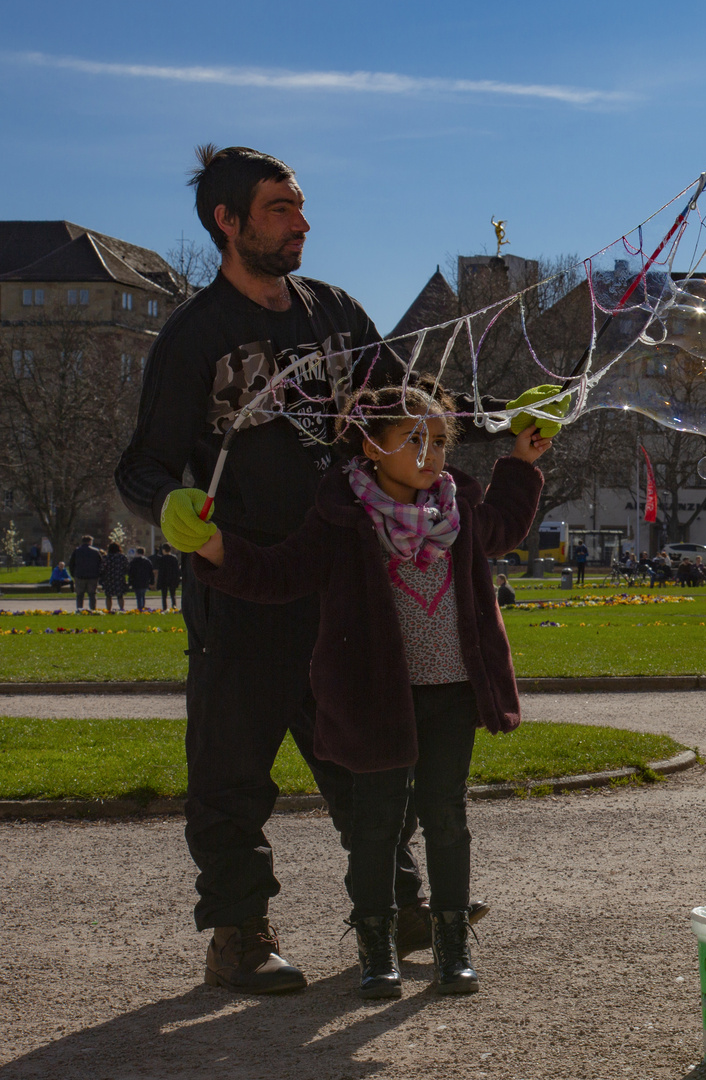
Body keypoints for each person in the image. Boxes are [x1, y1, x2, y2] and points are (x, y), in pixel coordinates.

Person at [115, 145, 559, 994]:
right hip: (240, 585)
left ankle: (399, 910)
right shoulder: (193, 337)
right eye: (281, 208)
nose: (302, 222)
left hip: (342, 585)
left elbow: (411, 411)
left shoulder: (337, 313)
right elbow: (143, 463)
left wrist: (508, 423)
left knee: (370, 760)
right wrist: (171, 508)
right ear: (229, 222)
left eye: (301, 205)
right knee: (231, 771)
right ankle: (239, 933)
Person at [184, 384, 549, 997]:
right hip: (376, 695)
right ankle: (377, 946)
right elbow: (282, 573)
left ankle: (451, 940)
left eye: (437, 440)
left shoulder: (457, 507)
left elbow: (505, 529)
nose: (430, 453)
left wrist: (520, 462)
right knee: (378, 822)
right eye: (412, 439)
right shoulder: (341, 518)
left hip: (452, 688)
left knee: (446, 816)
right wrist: (217, 548)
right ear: (371, 446)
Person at [69, 535, 102, 611]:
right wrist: (99, 574)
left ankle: (80, 609)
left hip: (80, 575)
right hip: (93, 576)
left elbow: (71, 564)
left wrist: (73, 574)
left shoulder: (77, 551)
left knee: (80, 595)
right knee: (92, 594)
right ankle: (93, 609)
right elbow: (101, 563)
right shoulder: (95, 551)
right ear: (90, 542)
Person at [101, 541, 129, 613]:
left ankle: (108, 609)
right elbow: (127, 568)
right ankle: (121, 609)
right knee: (120, 595)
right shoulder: (122, 557)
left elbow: (102, 568)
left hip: (108, 578)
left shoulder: (106, 558)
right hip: (119, 578)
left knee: (108, 596)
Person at [154, 545, 183, 610]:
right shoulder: (174, 558)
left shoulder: (162, 559)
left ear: (163, 550)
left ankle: (164, 607)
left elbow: (161, 571)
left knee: (164, 595)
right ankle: (174, 606)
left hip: (164, 579)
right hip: (172, 579)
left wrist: (159, 582)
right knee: (173, 594)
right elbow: (176, 570)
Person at [128, 546, 156, 611]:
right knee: (142, 595)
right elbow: (151, 572)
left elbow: (130, 572)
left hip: (136, 581)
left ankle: (139, 607)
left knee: (138, 595)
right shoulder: (147, 561)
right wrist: (152, 581)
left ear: (137, 552)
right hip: (145, 580)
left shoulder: (133, 562)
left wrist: (130, 581)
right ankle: (142, 607)